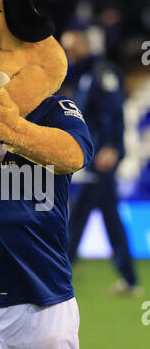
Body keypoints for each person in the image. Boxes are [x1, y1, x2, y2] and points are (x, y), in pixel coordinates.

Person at [61, 26, 141, 295]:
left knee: (80, 215)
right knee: (105, 216)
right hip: (91, 157)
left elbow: (112, 113)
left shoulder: (102, 74)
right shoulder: (85, 76)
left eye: (72, 48)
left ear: (85, 46)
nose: (69, 54)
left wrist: (111, 147)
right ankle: (128, 279)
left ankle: (61, 271)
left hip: (100, 157)